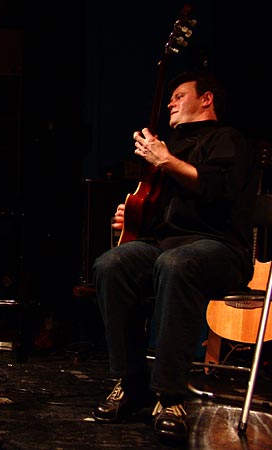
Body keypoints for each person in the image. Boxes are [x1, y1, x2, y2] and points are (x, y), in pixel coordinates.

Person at [91, 70, 257, 441]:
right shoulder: (166, 148)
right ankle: (131, 381)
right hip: (166, 245)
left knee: (176, 263)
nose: (170, 102)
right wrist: (131, 216)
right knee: (111, 264)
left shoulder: (228, 139)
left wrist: (166, 161)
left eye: (180, 95)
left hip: (221, 248)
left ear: (206, 99)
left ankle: (170, 395)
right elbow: (159, 215)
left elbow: (219, 190)